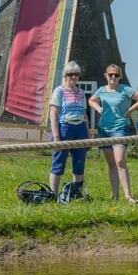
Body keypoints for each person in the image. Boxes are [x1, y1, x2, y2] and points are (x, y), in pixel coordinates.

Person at [89, 64, 138, 203]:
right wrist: (98, 108)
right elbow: (91, 100)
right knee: (111, 163)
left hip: (120, 128)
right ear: (106, 76)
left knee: (120, 160)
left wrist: (130, 110)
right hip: (104, 129)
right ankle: (115, 195)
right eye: (110, 74)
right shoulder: (101, 90)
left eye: (116, 75)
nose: (113, 77)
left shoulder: (125, 89)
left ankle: (128, 195)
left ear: (120, 76)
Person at [48, 61, 90, 195]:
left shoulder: (81, 92)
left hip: (80, 127)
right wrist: (56, 136)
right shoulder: (59, 91)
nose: (74, 77)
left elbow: (84, 114)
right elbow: (53, 115)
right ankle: (53, 193)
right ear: (65, 75)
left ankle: (76, 193)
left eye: (76, 74)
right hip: (65, 127)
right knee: (58, 161)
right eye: (71, 74)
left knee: (79, 162)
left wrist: (88, 133)